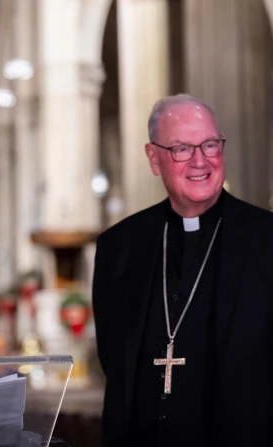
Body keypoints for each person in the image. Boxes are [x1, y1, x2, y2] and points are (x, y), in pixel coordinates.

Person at [92, 94, 273, 447]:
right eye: (182, 149)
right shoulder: (119, 247)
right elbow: (112, 357)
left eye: (210, 145)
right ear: (153, 157)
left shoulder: (266, 239)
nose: (200, 161)